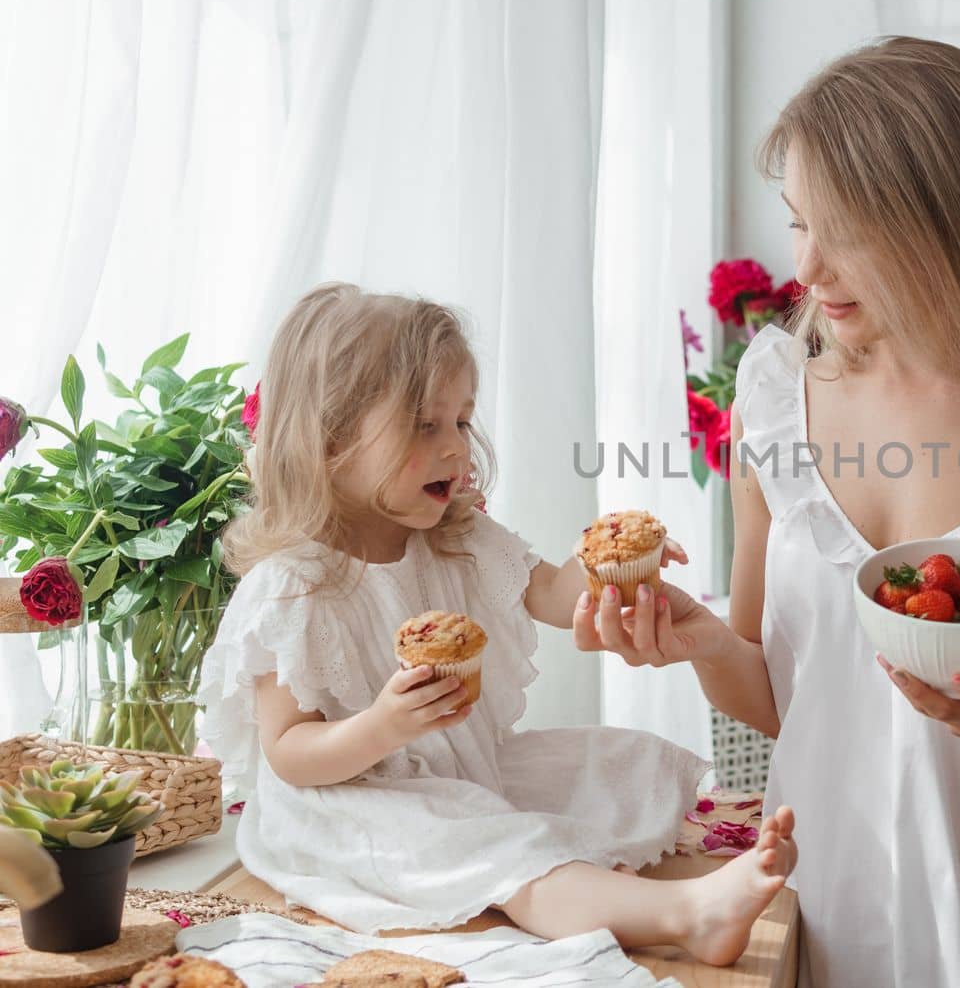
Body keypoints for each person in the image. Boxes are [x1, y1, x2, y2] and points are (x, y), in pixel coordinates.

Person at [575, 37, 960, 986]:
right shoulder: (775, 404)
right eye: (799, 223)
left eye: (853, 231)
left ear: (952, 222)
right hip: (843, 898)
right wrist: (702, 641)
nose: (812, 268)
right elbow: (780, 696)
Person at [198, 282, 795, 964]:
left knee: (617, 760)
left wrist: (614, 559)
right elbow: (289, 755)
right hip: (344, 809)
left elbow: (550, 594)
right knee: (505, 847)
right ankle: (687, 914)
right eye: (426, 425)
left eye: (461, 421)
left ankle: (618, 883)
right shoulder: (293, 585)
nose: (457, 447)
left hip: (462, 776)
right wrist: (383, 726)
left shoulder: (456, 536)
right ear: (332, 439)